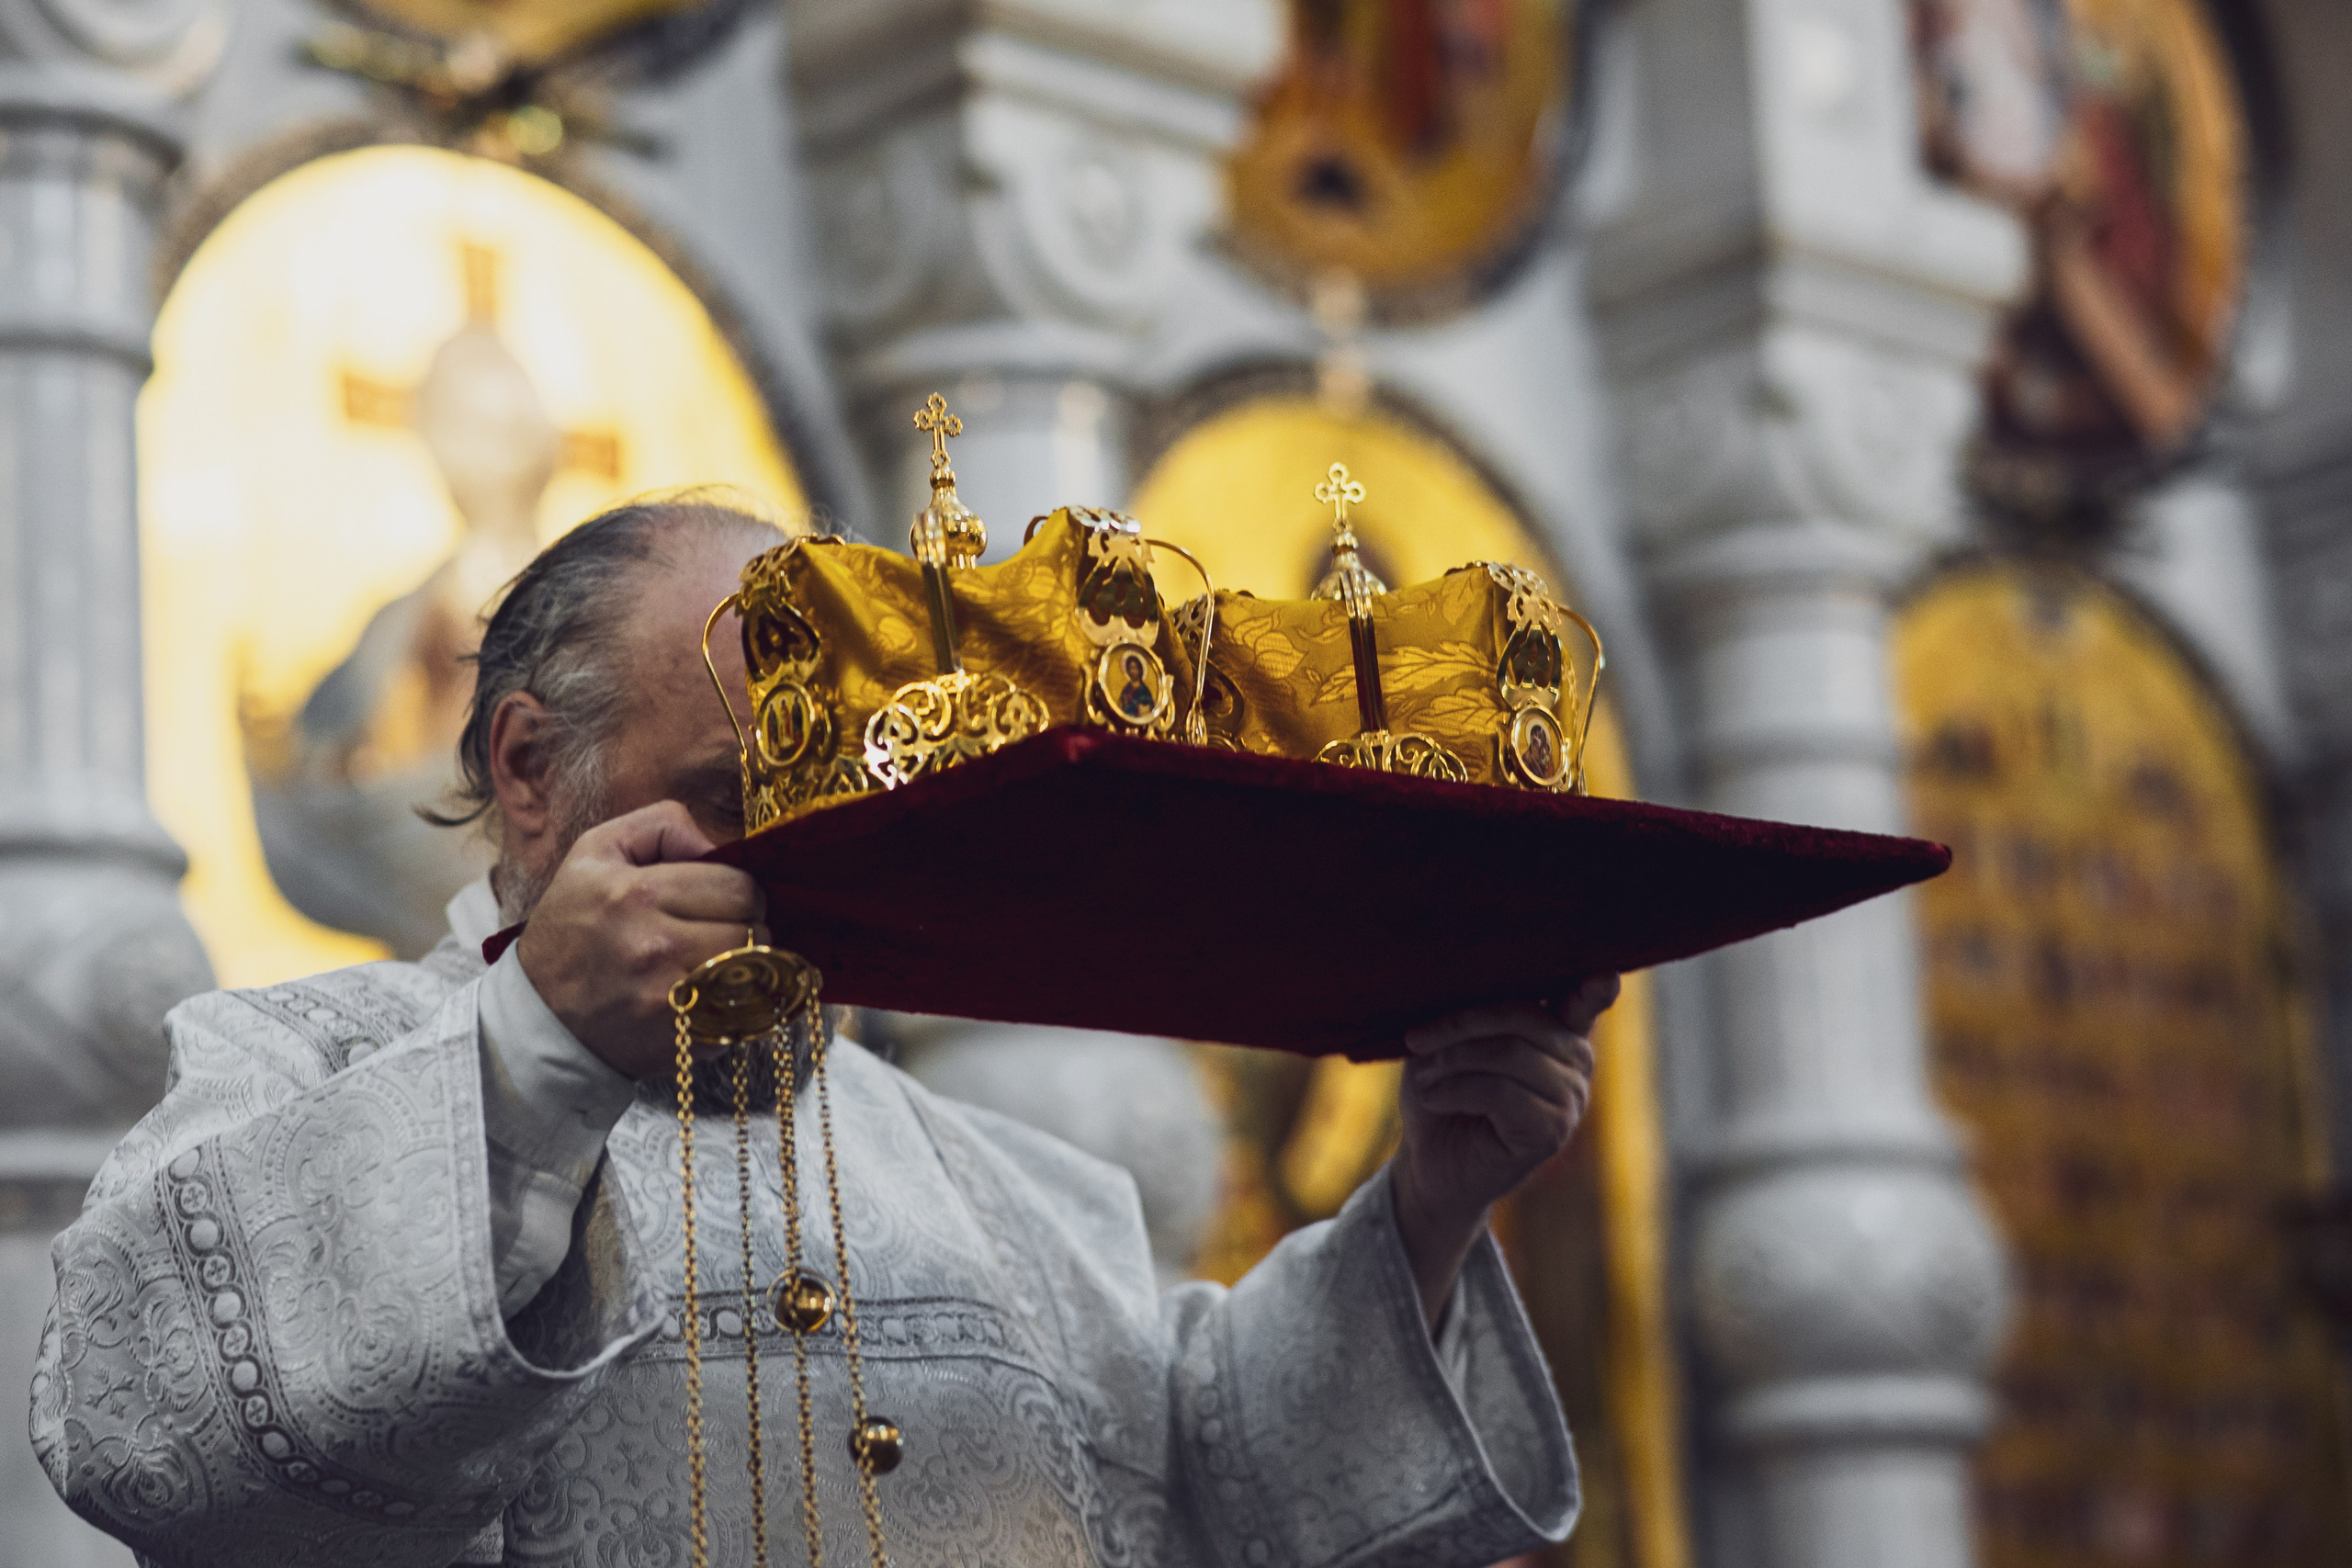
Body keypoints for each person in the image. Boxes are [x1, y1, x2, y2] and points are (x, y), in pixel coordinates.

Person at [32, 499, 1618, 1568]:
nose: (814, 861)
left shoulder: (1013, 1181)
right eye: (745, 800)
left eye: (856, 807)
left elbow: (1226, 1496)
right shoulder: (296, 1067)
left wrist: (1428, 1206)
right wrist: (540, 1058)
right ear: (529, 767)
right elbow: (149, 1431)